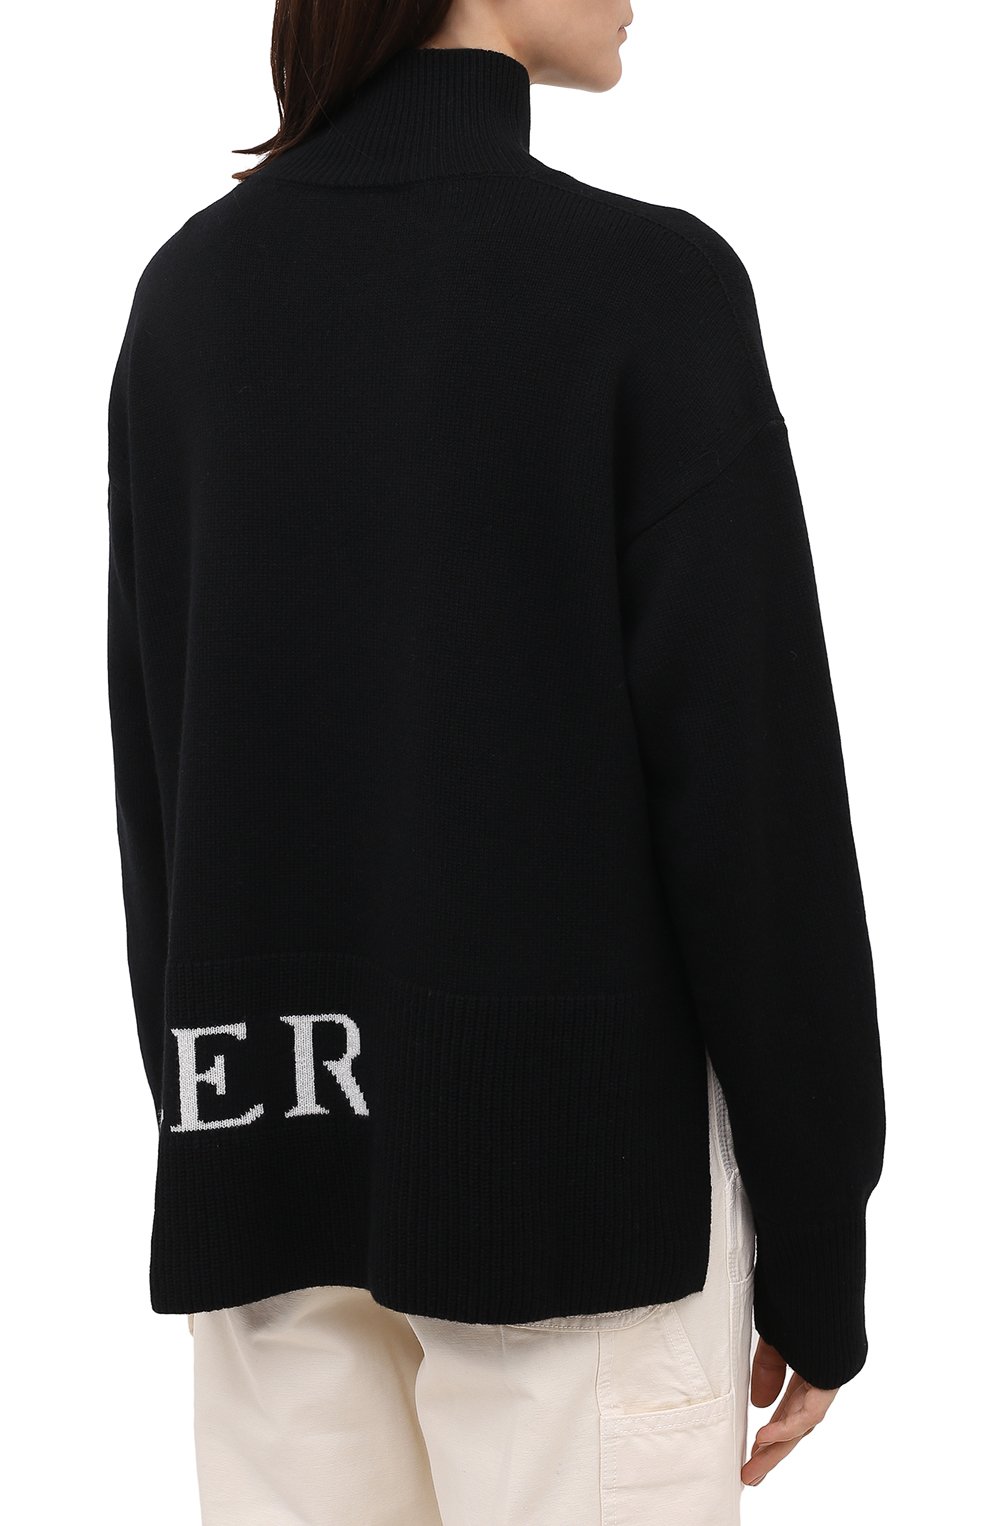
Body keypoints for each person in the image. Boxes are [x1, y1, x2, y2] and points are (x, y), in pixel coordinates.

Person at [105, 1, 886, 1521]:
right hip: (578, 1203)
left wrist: (215, 1110)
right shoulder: (640, 285)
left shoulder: (190, 293)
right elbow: (754, 806)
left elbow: (162, 779)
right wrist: (818, 1229)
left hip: (263, 1165)